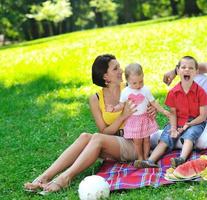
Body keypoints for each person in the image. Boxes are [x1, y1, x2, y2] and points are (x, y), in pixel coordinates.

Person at [23, 54, 156, 193]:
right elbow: (104, 131)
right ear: (105, 77)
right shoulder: (96, 98)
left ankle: (64, 178)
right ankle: (44, 177)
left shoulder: (132, 87)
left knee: (97, 138)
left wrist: (152, 110)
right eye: (116, 68)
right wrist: (122, 117)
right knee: (85, 136)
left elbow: (149, 106)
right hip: (114, 141)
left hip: (135, 143)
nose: (121, 70)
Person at [135, 56, 207, 168]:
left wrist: (189, 124)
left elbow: (203, 116)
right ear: (178, 70)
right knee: (166, 136)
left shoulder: (201, 92)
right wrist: (174, 128)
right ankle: (150, 161)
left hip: (196, 121)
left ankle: (181, 159)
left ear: (196, 72)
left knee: (190, 134)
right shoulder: (173, 93)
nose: (187, 70)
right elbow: (173, 114)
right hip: (177, 120)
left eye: (191, 68)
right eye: (183, 67)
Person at [107, 63, 171, 161]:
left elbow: (153, 102)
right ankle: (140, 157)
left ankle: (146, 156)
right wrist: (113, 109)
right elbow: (121, 105)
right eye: (134, 83)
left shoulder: (145, 90)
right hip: (134, 120)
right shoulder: (125, 92)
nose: (138, 85)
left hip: (145, 118)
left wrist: (163, 111)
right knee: (137, 141)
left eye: (141, 82)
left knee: (146, 139)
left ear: (143, 77)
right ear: (127, 81)